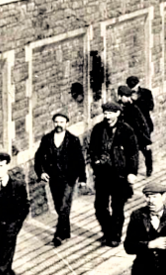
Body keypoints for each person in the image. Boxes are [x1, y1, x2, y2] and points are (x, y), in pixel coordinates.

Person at [88, 101, 140, 247]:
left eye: (110, 113)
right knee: (100, 207)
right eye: (105, 113)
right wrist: (96, 162)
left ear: (117, 113)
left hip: (120, 176)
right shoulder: (98, 129)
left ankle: (115, 236)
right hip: (103, 175)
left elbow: (133, 153)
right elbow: (92, 150)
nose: (107, 116)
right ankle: (108, 231)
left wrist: (132, 172)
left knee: (117, 207)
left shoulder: (126, 130)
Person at [34, 112, 87, 246]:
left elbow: (80, 160)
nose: (59, 125)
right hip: (54, 178)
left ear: (66, 123)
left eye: (61, 122)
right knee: (59, 206)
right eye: (56, 122)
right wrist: (41, 172)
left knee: (64, 205)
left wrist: (82, 179)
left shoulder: (73, 140)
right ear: (53, 123)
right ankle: (66, 231)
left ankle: (58, 235)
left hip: (69, 177)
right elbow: (39, 157)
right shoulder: (47, 139)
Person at [119, 85, 154, 176]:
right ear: (120, 96)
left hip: (138, 135)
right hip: (125, 137)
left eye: (129, 96)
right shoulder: (116, 108)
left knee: (146, 152)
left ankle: (149, 168)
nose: (128, 99)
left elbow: (142, 124)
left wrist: (147, 140)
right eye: (126, 96)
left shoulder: (133, 108)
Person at [127, 75, 156, 177]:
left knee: (146, 148)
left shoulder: (146, 93)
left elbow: (151, 106)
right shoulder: (127, 95)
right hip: (132, 126)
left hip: (144, 126)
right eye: (130, 87)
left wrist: (137, 101)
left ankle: (149, 167)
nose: (132, 89)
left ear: (138, 84)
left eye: (134, 86)